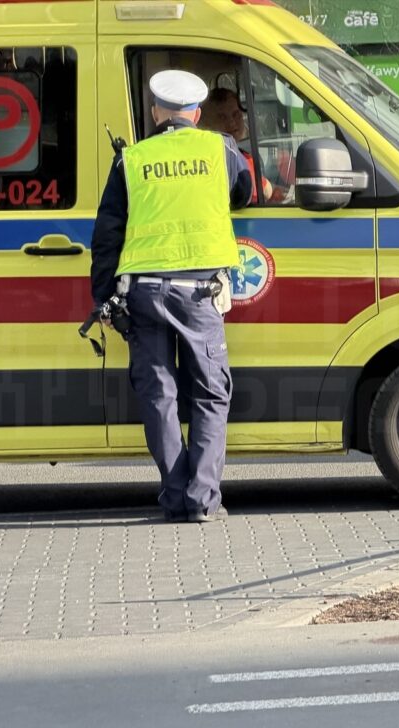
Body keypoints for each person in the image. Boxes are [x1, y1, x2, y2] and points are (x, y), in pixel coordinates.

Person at [90, 70, 252, 523]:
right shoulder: (221, 149)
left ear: (156, 112)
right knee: (210, 393)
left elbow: (106, 237)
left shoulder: (131, 159)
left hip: (142, 293)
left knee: (158, 395)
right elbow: (244, 194)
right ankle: (202, 501)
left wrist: (103, 299)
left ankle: (176, 494)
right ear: (196, 115)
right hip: (199, 293)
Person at [202, 87, 277, 203]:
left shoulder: (238, 154)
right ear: (205, 123)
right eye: (222, 117)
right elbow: (265, 192)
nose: (232, 122)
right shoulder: (224, 157)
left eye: (236, 114)